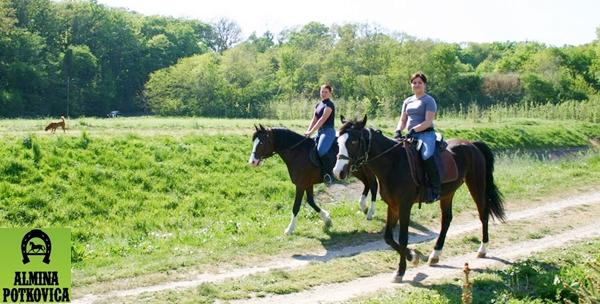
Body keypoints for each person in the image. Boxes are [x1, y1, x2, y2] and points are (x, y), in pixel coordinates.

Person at [395, 72, 441, 202]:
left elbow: (428, 121)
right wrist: (398, 130)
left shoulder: (429, 100)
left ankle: (435, 190)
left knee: (426, 156)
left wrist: (414, 129)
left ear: (424, 84)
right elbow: (403, 119)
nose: (416, 85)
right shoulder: (407, 101)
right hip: (411, 135)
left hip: (426, 134)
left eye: (419, 82)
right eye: (414, 82)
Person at [305, 84, 336, 184]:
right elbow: (314, 119)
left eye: (326, 92)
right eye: (322, 91)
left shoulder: (329, 105)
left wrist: (311, 132)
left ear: (330, 93)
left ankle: (329, 174)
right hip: (320, 132)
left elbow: (322, 120)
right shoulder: (318, 105)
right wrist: (307, 131)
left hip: (328, 132)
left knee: (321, 150)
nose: (323, 94)